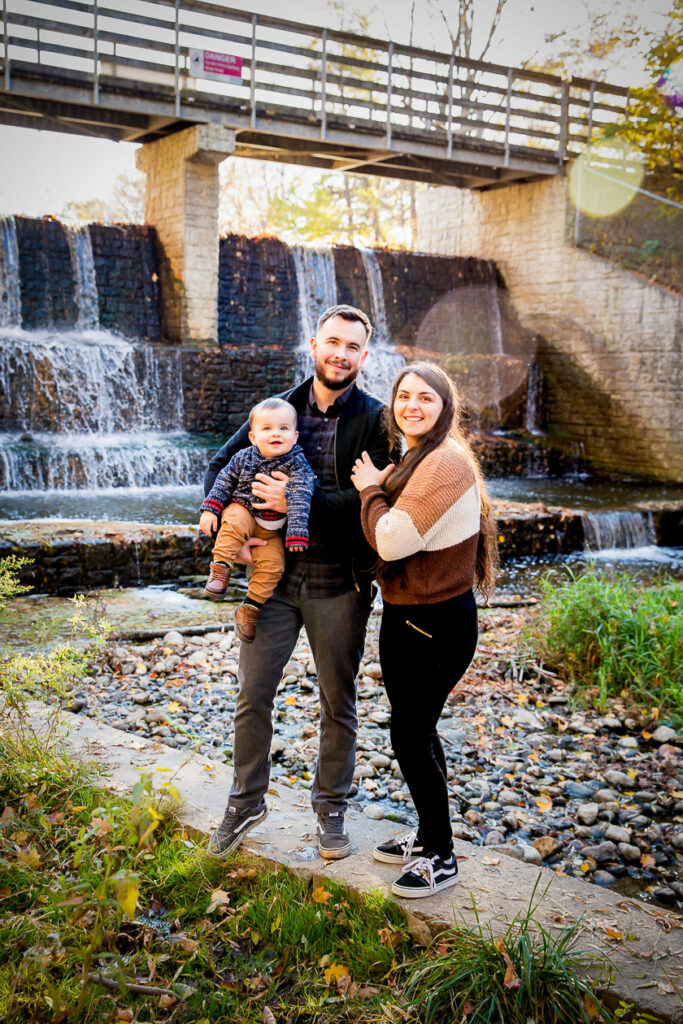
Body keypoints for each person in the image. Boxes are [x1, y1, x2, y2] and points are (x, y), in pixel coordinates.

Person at [203, 304, 392, 861]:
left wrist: (296, 501)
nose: (340, 353)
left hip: (340, 583)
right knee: (252, 693)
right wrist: (227, 530)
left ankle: (330, 809)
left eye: (352, 346)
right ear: (313, 345)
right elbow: (221, 464)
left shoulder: (377, 421)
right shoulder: (278, 408)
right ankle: (245, 802)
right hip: (276, 583)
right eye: (332, 342)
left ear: (363, 355)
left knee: (338, 701)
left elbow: (373, 499)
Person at [351, 362, 498, 898]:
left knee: (409, 733)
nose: (412, 405)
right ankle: (431, 833)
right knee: (417, 728)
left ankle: (442, 855)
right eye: (404, 396)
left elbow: (390, 540)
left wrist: (370, 489)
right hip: (412, 616)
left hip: (433, 622)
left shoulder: (445, 462)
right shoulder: (420, 457)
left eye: (425, 398)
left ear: (445, 408)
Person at [199, 398, 315, 643]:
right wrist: (210, 509)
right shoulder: (243, 457)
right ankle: (220, 569)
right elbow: (223, 481)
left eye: (284, 429)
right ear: (252, 437)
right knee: (234, 522)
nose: (276, 434)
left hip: (270, 531)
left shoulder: (298, 464)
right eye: (267, 429)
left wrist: (296, 531)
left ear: (295, 436)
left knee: (274, 566)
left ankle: (249, 609)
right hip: (242, 509)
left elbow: (301, 497)